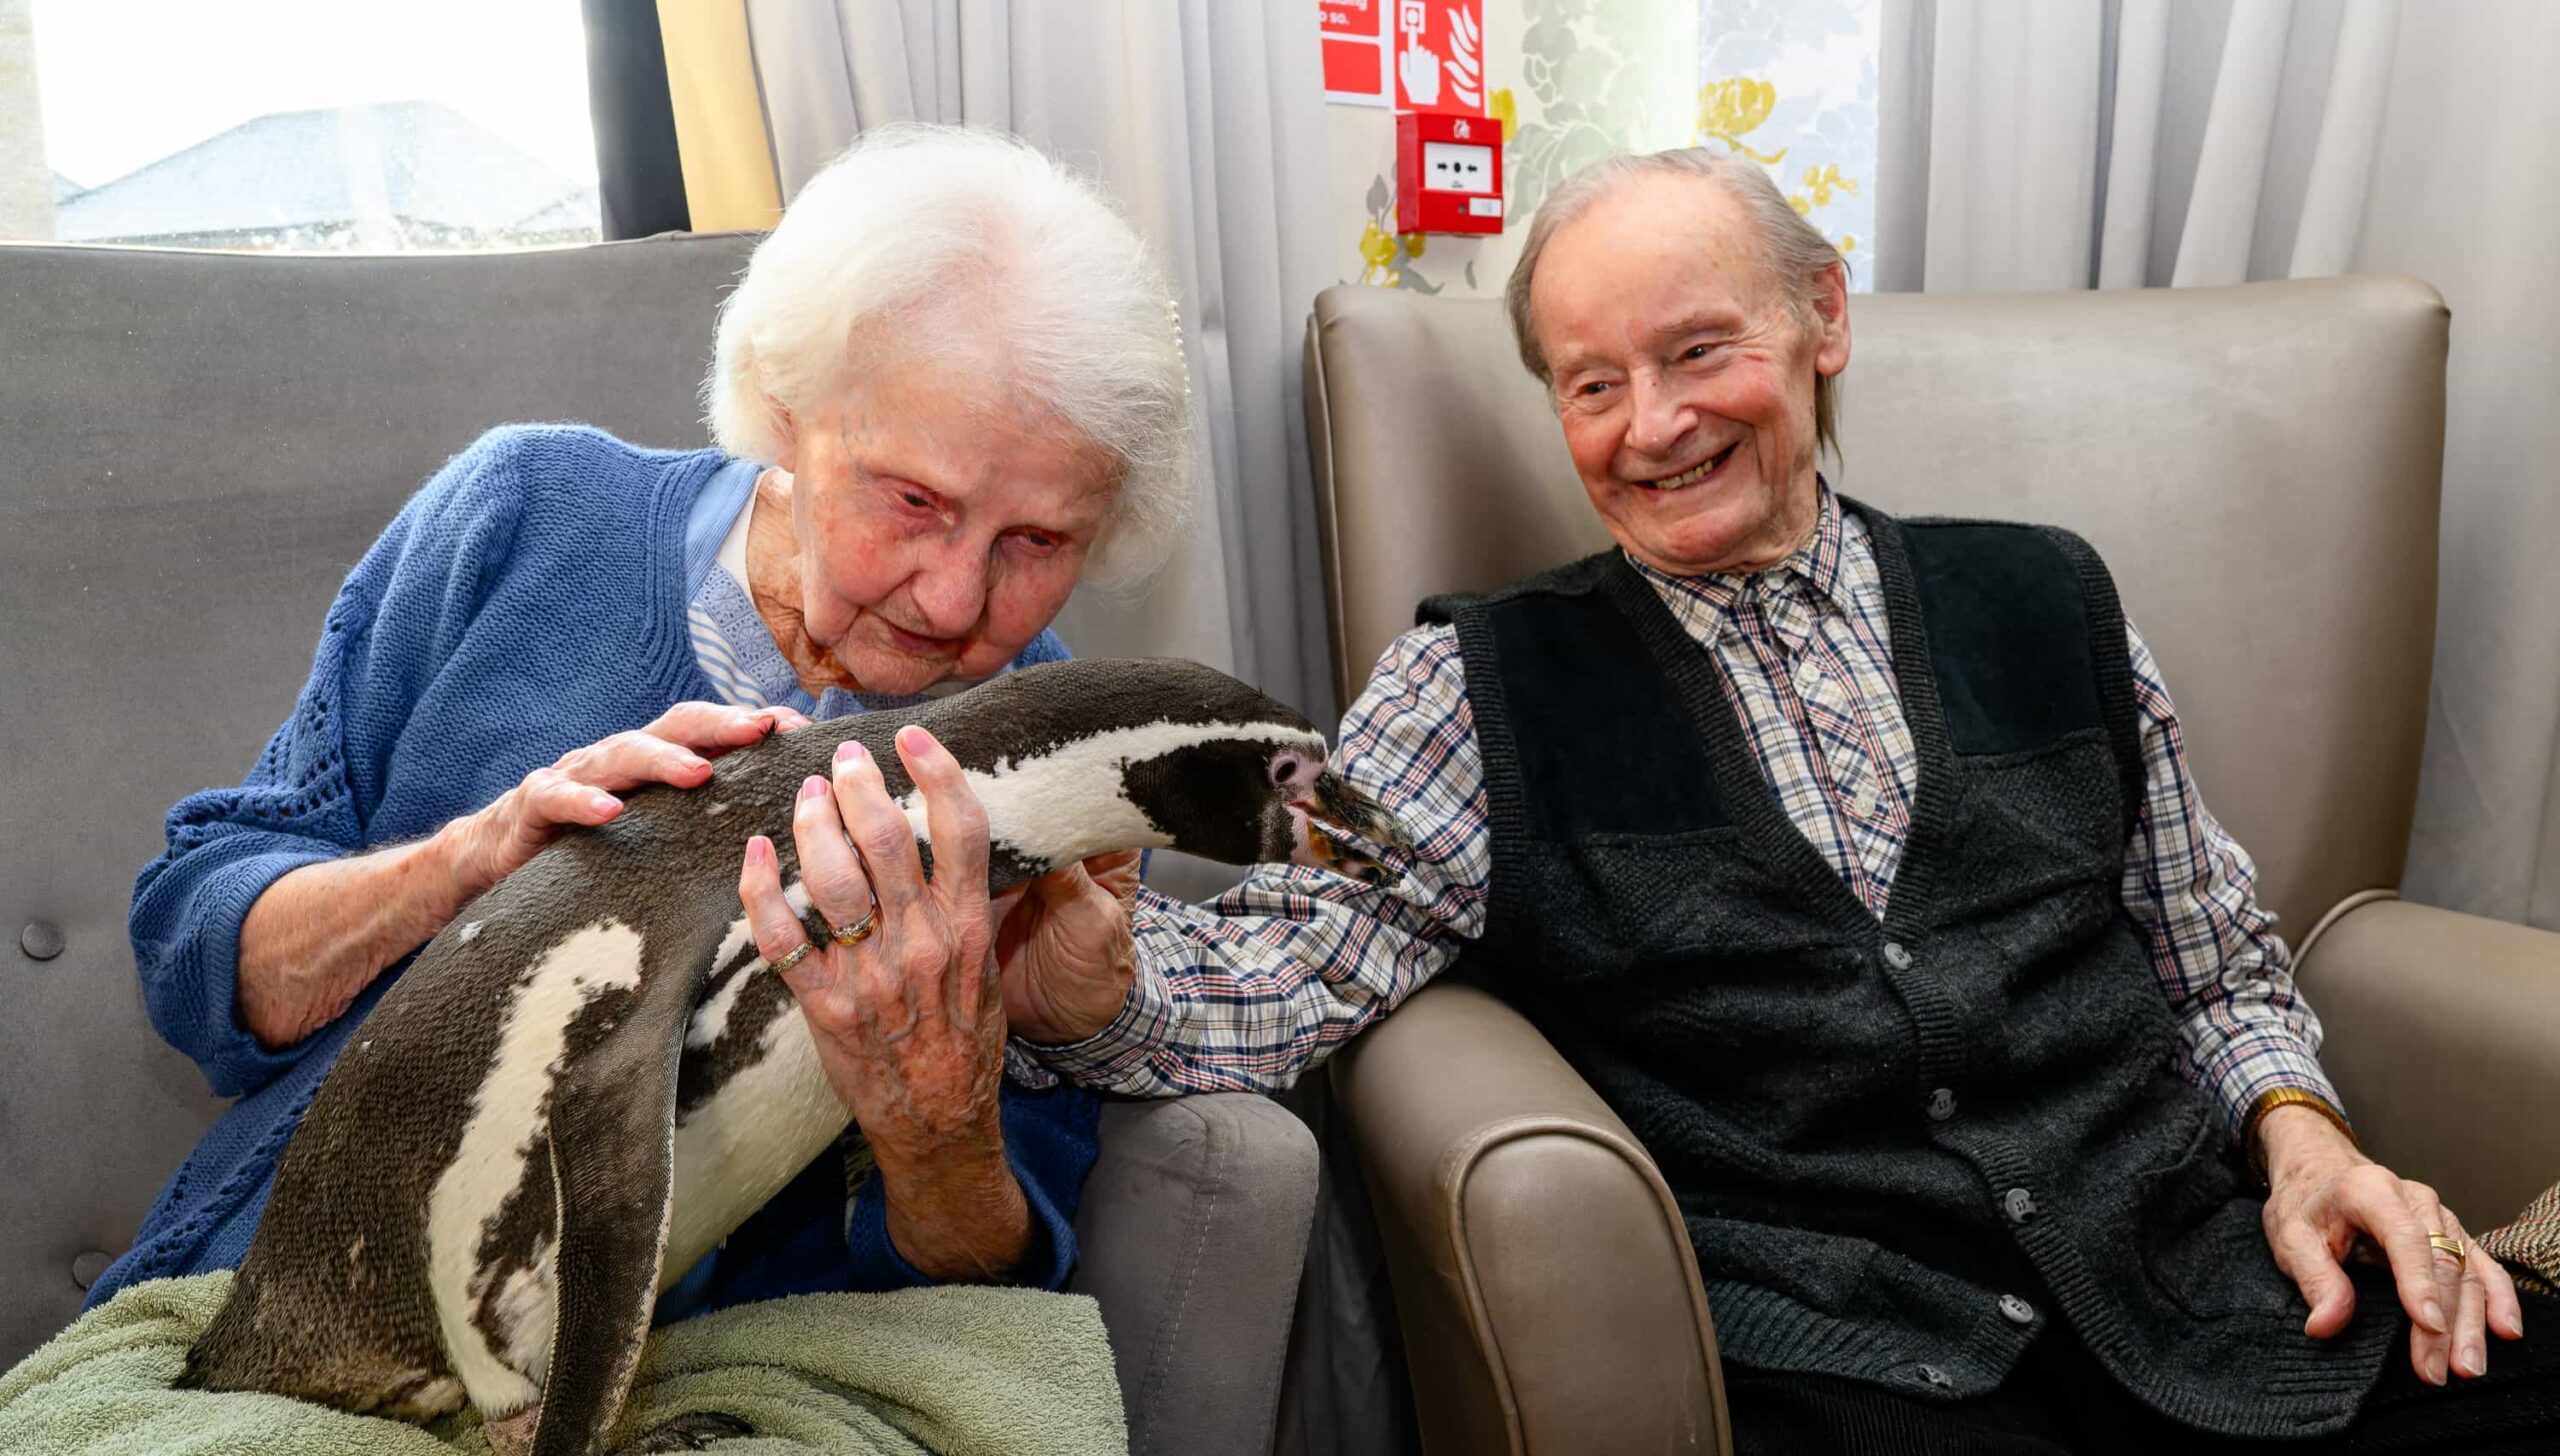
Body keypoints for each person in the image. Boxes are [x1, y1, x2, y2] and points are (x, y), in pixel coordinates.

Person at [981, 148, 2560, 1451]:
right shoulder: (1474, 692)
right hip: (1844, 1360)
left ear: (1822, 319)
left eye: (1698, 351)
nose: (1653, 425)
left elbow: (2205, 958)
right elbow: (1296, 961)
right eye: (1593, 384)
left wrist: (2303, 1139)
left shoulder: (2047, 598)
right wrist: (1089, 990)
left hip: (2206, 1286)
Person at [94, 125, 1190, 1319]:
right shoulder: (525, 516)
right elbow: (192, 956)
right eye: (914, 500)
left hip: (713, 1383)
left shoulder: (1043, 743)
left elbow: (995, 1280)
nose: (958, 598)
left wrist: (937, 1113)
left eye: (1037, 542)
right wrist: (463, 867)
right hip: (293, 1305)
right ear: (786, 408)